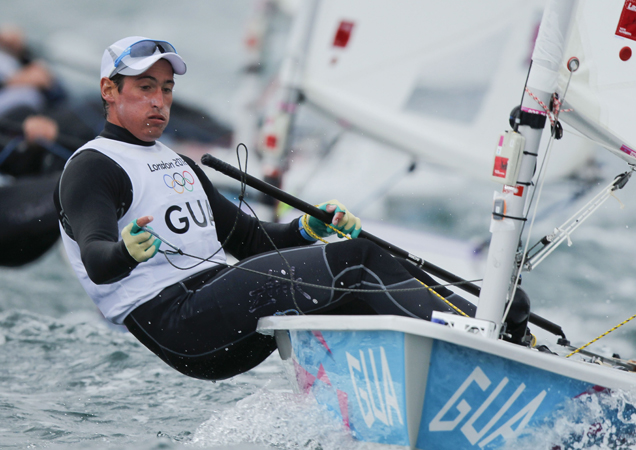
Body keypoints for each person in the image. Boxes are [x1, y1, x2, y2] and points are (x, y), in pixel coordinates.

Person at [55, 36, 530, 381]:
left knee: (353, 270)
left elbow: (245, 241)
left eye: (166, 89)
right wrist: (126, 253)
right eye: (144, 88)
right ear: (109, 90)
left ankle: (474, 342)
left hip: (217, 298)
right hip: (178, 321)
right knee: (356, 261)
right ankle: (482, 342)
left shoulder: (174, 162)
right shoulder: (93, 166)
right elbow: (97, 260)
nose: (159, 102)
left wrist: (305, 229)